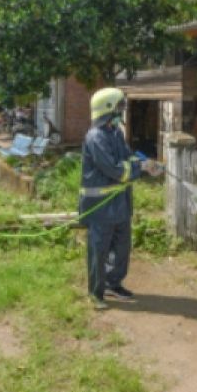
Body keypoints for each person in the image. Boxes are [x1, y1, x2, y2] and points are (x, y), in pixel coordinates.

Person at [79, 87, 161, 309]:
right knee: (99, 249)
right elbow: (115, 170)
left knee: (122, 247)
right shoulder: (95, 137)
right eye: (118, 107)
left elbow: (126, 157)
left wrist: (146, 164)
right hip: (100, 207)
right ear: (107, 109)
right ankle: (96, 292)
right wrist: (139, 167)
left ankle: (113, 284)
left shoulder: (115, 133)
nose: (121, 111)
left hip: (120, 204)